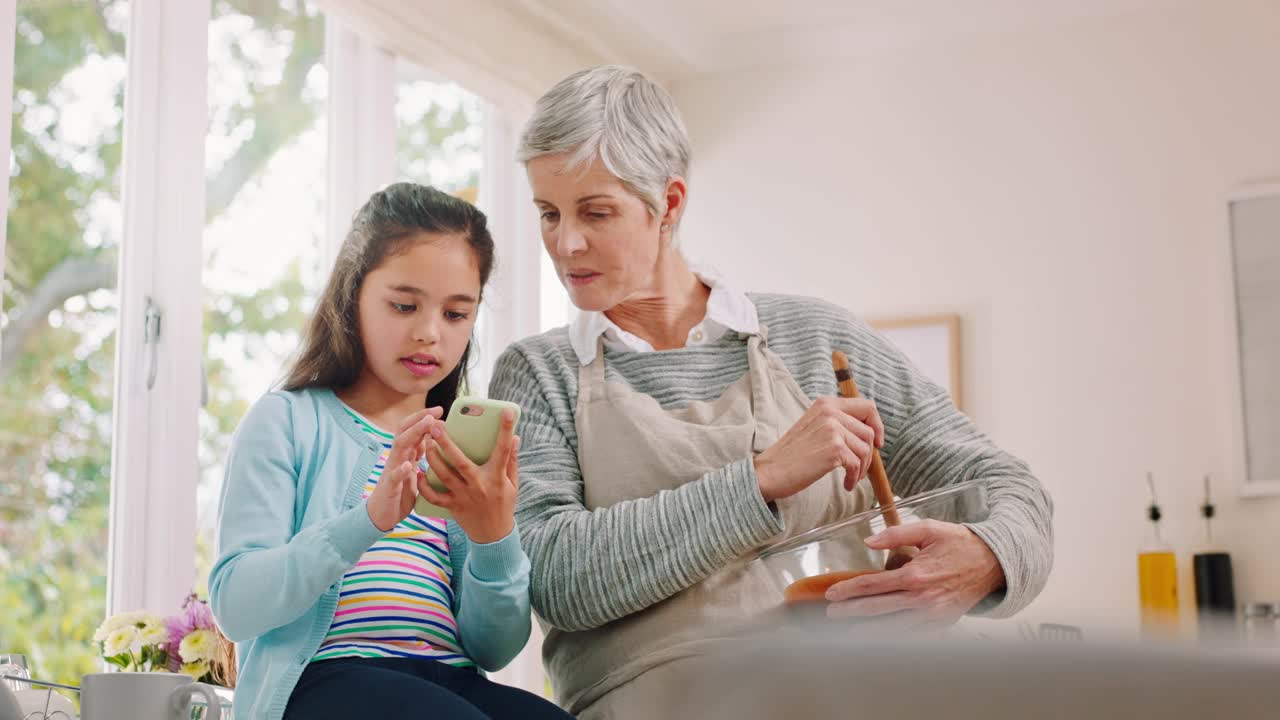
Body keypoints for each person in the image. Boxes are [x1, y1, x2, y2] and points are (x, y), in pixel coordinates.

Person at [487, 66, 1054, 719]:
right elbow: (558, 578)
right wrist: (761, 480)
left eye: (596, 212)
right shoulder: (539, 374)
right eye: (549, 214)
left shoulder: (816, 337)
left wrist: (986, 558)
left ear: (669, 204)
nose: (567, 243)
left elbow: (1009, 486)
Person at [209, 183, 573, 720]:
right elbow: (236, 606)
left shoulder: (461, 448)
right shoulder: (287, 419)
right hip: (324, 678)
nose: (429, 333)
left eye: (456, 314)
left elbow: (493, 649)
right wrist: (369, 519)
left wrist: (494, 535)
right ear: (352, 296)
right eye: (404, 305)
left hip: (448, 679)